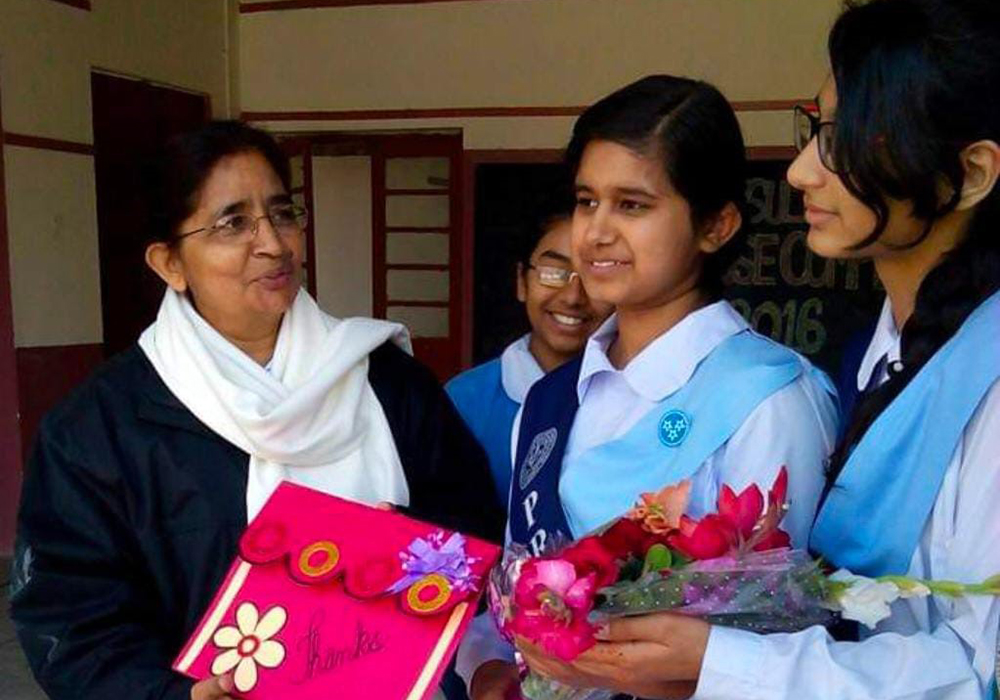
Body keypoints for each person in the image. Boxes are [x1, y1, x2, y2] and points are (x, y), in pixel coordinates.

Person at [513, 2, 1000, 698]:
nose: (801, 171)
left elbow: (976, 669)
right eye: (814, 130)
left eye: (842, 137)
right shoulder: (885, 356)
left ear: (972, 173)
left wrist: (712, 661)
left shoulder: (978, 379)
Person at [10, 121, 504, 700]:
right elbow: (71, 621)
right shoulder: (100, 429)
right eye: (233, 223)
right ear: (170, 263)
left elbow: (473, 525)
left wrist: (390, 544)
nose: (274, 243)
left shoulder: (389, 381)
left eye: (283, 213)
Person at [460, 75, 840, 700]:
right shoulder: (550, 399)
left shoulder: (770, 399)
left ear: (716, 225)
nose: (597, 232)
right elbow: (518, 580)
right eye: (587, 201)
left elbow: (785, 645)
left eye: (632, 206)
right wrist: (490, 665)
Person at [446, 188, 612, 506]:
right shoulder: (464, 401)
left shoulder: (635, 399)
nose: (573, 297)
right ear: (522, 281)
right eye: (554, 273)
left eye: (593, 274)